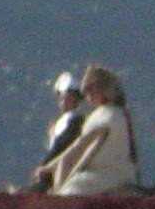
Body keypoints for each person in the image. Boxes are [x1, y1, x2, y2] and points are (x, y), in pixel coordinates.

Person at [47, 65, 141, 196]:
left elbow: (82, 149)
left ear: (101, 90)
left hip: (105, 176)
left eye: (89, 91)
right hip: (124, 175)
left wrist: (56, 172)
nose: (86, 97)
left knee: (70, 190)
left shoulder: (103, 116)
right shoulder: (121, 113)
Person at [27, 72, 85, 192]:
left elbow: (61, 147)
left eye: (69, 98)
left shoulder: (76, 121)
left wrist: (45, 166)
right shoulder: (60, 122)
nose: (64, 101)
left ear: (76, 100)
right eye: (62, 97)